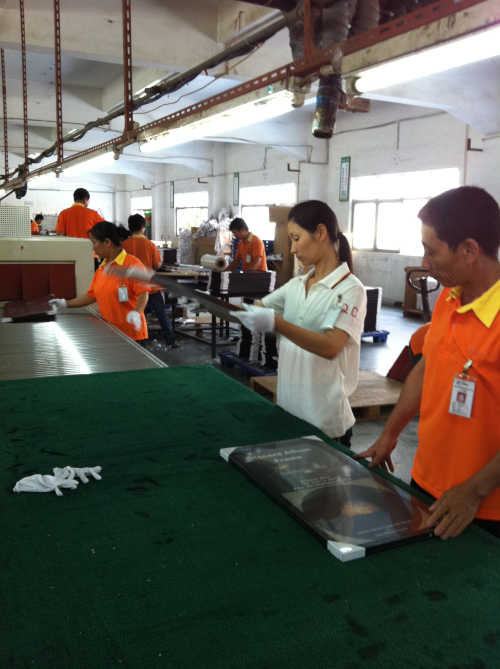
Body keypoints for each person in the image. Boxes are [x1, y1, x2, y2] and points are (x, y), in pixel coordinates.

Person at [358, 186, 500, 540]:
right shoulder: (448, 300)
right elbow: (427, 368)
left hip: (482, 508)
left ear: (469, 250)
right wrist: (390, 434)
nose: (424, 262)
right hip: (425, 483)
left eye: (430, 251)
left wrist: (474, 492)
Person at [231, 200, 367, 446]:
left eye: (296, 238)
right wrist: (227, 309)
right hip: (288, 413)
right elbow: (253, 310)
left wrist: (277, 324)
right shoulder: (297, 285)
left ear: (321, 233)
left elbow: (330, 346)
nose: (292, 249)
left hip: (325, 423)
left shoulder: (350, 290)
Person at [49, 221, 149, 342]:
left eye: (94, 242)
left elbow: (143, 292)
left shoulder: (132, 264)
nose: (93, 248)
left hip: (131, 336)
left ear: (107, 242)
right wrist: (65, 303)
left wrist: (137, 312)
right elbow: (91, 296)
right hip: (111, 333)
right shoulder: (102, 269)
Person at [122, 213, 177, 348]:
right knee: (161, 314)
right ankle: (171, 340)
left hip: (130, 288)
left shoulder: (123, 245)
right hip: (150, 287)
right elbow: (157, 265)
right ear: (143, 227)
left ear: (129, 227)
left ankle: (138, 340)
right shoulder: (150, 245)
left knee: (137, 314)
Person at [226, 217, 268, 360]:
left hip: (259, 283)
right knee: (246, 313)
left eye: (235, 233)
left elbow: (257, 261)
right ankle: (246, 344)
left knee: (256, 313)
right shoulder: (241, 243)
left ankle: (257, 349)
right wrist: (224, 272)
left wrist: (247, 276)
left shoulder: (256, 241)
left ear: (243, 230)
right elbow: (237, 260)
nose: (234, 236)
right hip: (248, 283)